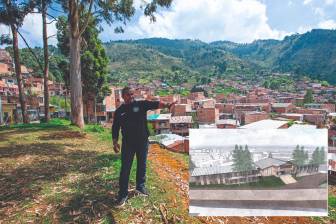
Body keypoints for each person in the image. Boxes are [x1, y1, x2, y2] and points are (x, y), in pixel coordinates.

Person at [112, 87, 175, 207]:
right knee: (125, 168)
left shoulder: (141, 104)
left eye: (132, 94)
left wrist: (168, 104)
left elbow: (155, 104)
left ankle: (140, 187)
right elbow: (115, 127)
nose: (131, 96)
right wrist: (115, 142)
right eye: (128, 95)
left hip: (142, 141)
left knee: (142, 164)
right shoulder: (120, 111)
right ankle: (122, 194)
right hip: (128, 143)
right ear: (123, 96)